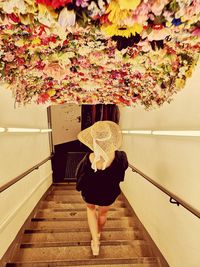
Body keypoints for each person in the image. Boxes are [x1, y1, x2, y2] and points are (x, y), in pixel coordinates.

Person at [75, 120, 128, 256]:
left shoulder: (89, 159)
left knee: (91, 210)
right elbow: (122, 172)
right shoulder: (121, 157)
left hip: (90, 192)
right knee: (103, 214)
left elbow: (79, 177)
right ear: (111, 138)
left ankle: (95, 242)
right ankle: (98, 232)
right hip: (109, 192)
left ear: (94, 141)